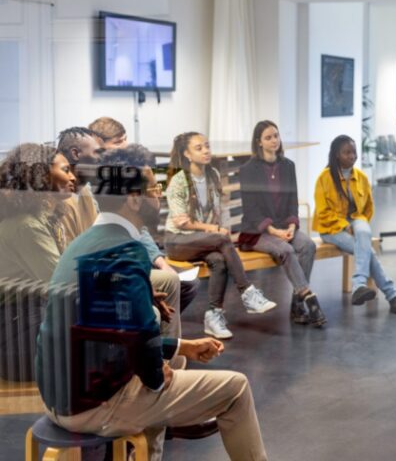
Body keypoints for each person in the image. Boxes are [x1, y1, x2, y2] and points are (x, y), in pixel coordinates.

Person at [35, 146, 268, 461]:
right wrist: (157, 377)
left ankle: (147, 455)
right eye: (154, 189)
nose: (159, 197)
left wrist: (182, 347)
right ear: (134, 199)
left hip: (60, 395)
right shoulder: (127, 252)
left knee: (177, 363)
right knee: (235, 388)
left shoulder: (84, 243)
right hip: (93, 405)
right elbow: (144, 348)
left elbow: (108, 330)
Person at [82, 117, 200, 312]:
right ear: (99, 146)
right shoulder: (97, 185)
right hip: (112, 262)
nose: (125, 145)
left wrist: (161, 262)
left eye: (125, 139)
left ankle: (159, 330)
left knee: (185, 284)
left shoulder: (128, 174)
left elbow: (138, 226)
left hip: (131, 253)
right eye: (118, 142)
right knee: (170, 284)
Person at [165, 132, 276, 339]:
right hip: (177, 240)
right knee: (221, 239)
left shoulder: (213, 174)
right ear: (187, 155)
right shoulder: (178, 181)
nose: (206, 150)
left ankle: (213, 315)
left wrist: (218, 230)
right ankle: (247, 292)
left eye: (207, 146)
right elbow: (182, 221)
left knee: (219, 261)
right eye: (199, 148)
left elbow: (217, 210)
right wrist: (214, 230)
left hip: (202, 240)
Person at [238, 120, 325, 327]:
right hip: (258, 230)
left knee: (308, 245)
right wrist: (274, 230)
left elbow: (292, 200)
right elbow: (251, 209)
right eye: (268, 137)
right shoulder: (248, 169)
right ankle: (308, 296)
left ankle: (297, 303)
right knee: (286, 249)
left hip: (283, 226)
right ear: (259, 142)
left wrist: (292, 225)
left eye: (276, 135)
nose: (274, 140)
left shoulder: (288, 166)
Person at [313, 135, 396, 314]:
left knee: (363, 232)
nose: (352, 156)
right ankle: (393, 295)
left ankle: (359, 285)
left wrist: (357, 224)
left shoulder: (361, 177)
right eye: (347, 152)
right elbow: (323, 212)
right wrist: (344, 225)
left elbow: (369, 208)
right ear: (336, 155)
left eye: (354, 152)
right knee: (367, 250)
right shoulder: (324, 178)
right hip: (331, 227)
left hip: (356, 220)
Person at [0, 143, 76, 281]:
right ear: (42, 175)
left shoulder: (47, 218)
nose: (73, 177)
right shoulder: (27, 226)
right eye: (66, 170)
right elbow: (62, 282)